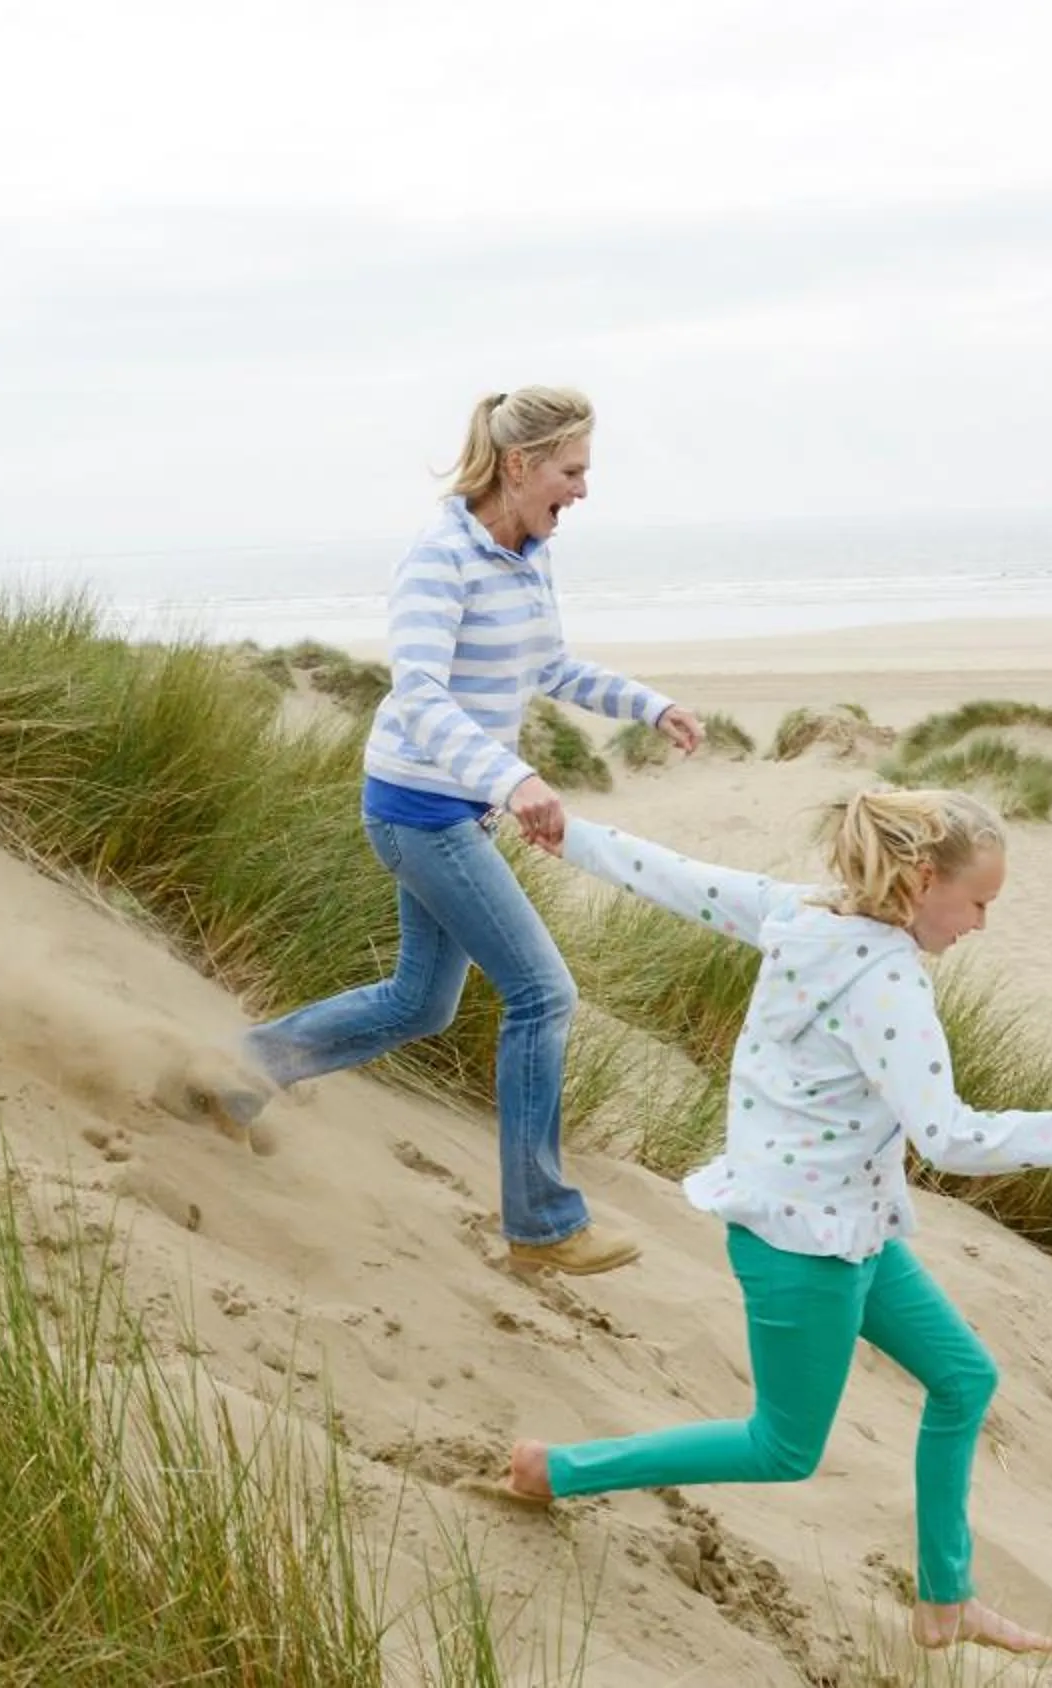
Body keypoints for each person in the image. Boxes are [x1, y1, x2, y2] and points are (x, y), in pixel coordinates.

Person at [499, 790, 1052, 1655]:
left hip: (854, 1230)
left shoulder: (799, 912)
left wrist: (574, 837)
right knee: (782, 1448)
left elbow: (681, 880)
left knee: (963, 1379)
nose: (983, 923)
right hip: (803, 1249)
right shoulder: (890, 986)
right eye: (979, 901)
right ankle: (554, 1471)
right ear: (918, 879)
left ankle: (945, 1601)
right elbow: (950, 1136)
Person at [235, 387, 703, 1275]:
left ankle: (234, 1075)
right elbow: (420, 695)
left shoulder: (529, 554)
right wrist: (512, 776)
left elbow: (548, 664)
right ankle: (542, 1226)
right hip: (418, 811)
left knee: (422, 1003)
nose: (584, 491)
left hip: (460, 808)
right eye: (573, 471)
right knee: (544, 995)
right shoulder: (438, 559)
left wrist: (648, 705)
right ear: (520, 467)